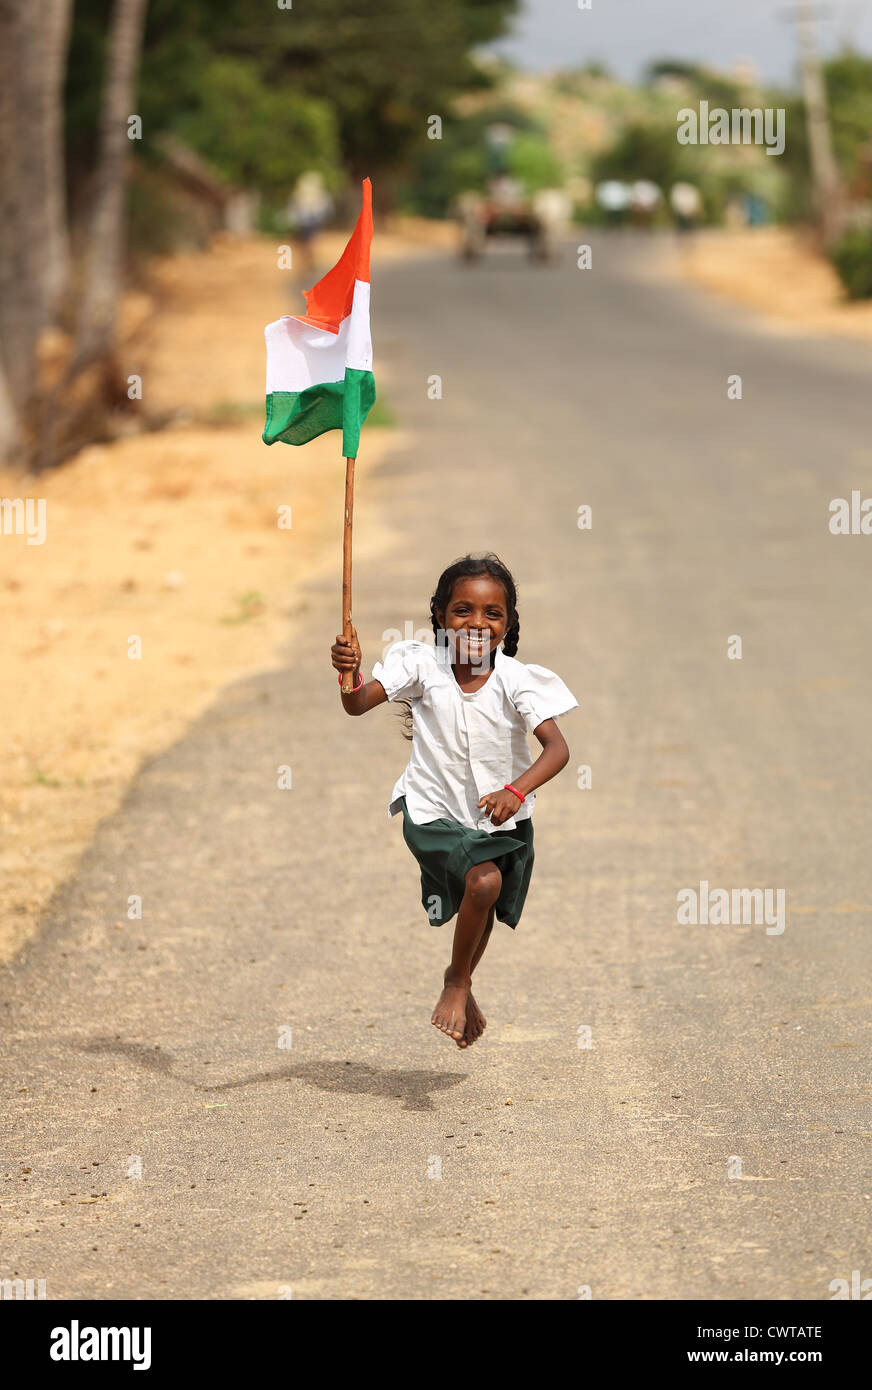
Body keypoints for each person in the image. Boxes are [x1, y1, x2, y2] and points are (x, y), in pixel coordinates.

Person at [330, 553, 578, 1049]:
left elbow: (558, 750)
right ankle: (457, 981)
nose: (477, 623)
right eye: (462, 610)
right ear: (440, 616)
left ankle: (461, 982)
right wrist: (348, 671)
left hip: (498, 818)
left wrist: (515, 790)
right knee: (483, 882)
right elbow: (356, 704)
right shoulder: (421, 665)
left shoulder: (516, 679)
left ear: (508, 625)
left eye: (493, 614)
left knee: (480, 896)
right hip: (431, 810)